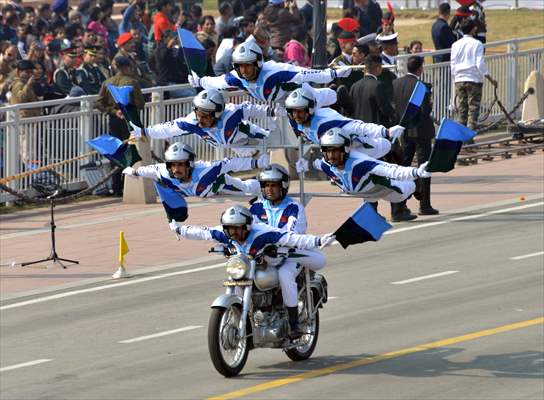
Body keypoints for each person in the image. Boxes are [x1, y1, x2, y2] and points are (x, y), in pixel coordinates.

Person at [170, 204, 335, 338]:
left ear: (247, 227)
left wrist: (318, 240)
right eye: (229, 228)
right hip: (251, 266)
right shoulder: (225, 234)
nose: (233, 232)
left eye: (238, 228)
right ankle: (247, 325)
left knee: (285, 276)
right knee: (239, 284)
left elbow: (292, 238)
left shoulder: (262, 233)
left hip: (281, 259)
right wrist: (179, 229)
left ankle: (293, 324)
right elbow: (202, 232)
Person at [296, 128, 431, 216]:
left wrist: (416, 172)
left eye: (335, 150)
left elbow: (391, 170)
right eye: (328, 151)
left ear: (345, 150)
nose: (331, 155)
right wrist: (304, 164)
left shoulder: (360, 163)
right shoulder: (326, 164)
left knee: (404, 191)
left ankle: (416, 184)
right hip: (366, 194)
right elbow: (316, 164)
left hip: (387, 190)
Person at [122, 143, 267, 219]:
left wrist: (256, 163)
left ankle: (264, 185)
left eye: (180, 164)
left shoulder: (206, 171)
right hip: (205, 193)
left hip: (219, 185)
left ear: (189, 164)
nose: (176, 169)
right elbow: (147, 170)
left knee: (246, 189)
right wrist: (133, 171)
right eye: (173, 165)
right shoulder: (163, 172)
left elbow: (230, 163)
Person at [188, 40, 350, 103]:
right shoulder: (235, 77)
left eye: (248, 65)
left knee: (323, 99)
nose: (244, 70)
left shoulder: (275, 71)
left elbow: (304, 73)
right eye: (240, 66)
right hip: (275, 106)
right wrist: (199, 81)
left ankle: (337, 95)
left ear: (258, 63)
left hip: (298, 95)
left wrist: (334, 74)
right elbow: (215, 82)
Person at [131, 89, 274, 155]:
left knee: (278, 147)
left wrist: (273, 112)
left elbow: (251, 108)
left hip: (254, 137)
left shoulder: (232, 113)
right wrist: (144, 132)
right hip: (237, 149)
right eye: (197, 114)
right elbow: (167, 129)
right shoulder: (191, 122)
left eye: (205, 116)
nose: (200, 119)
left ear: (217, 113)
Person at [285, 84, 403, 160]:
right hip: (338, 157)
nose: (296, 115)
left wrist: (386, 131)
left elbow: (358, 128)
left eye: (300, 111)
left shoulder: (327, 122)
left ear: (309, 109)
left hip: (362, 145)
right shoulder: (293, 119)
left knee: (384, 146)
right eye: (293, 111)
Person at [393, 55, 439, 217]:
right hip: (421, 131)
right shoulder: (420, 86)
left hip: (404, 131)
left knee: (403, 167)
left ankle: (400, 203)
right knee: (424, 167)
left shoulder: (396, 83)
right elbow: (425, 111)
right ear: (420, 68)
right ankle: (424, 204)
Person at [95, 56, 145, 196]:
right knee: (131, 151)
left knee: (116, 151)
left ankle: (117, 187)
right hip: (129, 120)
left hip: (114, 120)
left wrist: (113, 111)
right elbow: (140, 104)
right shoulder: (132, 82)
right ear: (127, 67)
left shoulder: (107, 82)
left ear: (115, 67)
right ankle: (130, 184)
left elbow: (98, 103)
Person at [451, 19, 497, 134]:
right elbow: (479, 64)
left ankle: (460, 138)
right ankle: (469, 139)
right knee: (473, 110)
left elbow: (453, 64)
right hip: (473, 80)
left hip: (459, 79)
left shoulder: (455, 45)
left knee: (462, 111)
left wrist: (456, 79)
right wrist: (490, 79)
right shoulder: (477, 44)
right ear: (473, 29)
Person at [250, 164, 306, 233]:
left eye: (273, 185)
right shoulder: (257, 206)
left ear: (283, 186)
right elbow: (250, 232)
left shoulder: (294, 207)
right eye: (267, 185)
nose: (269, 189)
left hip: (285, 243)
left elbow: (294, 234)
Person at [349, 54, 395, 128]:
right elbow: (385, 109)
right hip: (374, 129)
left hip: (358, 129)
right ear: (377, 68)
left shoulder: (354, 86)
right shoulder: (378, 86)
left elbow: (351, 109)